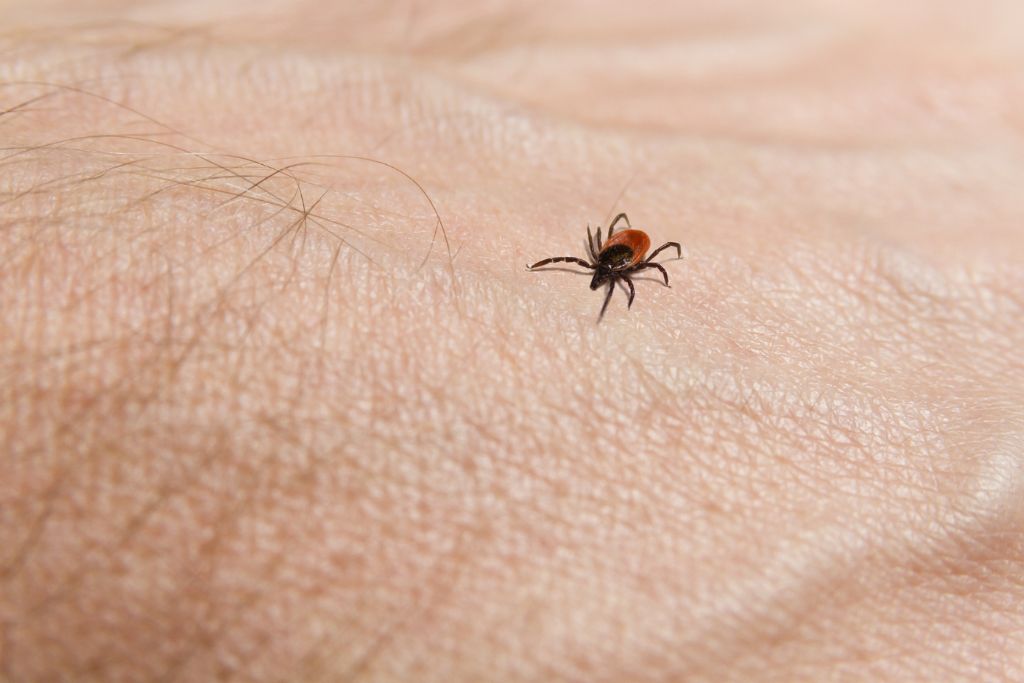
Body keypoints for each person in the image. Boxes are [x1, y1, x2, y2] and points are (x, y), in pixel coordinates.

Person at [2, 2, 1022, 680]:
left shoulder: (626, 259)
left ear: (620, 264)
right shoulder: (611, 252)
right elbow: (629, 240)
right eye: (606, 265)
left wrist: (631, 258)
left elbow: (639, 244)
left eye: (611, 268)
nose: (605, 269)